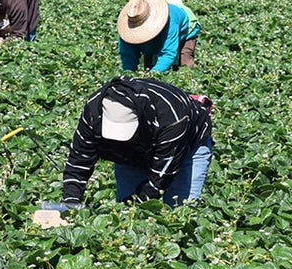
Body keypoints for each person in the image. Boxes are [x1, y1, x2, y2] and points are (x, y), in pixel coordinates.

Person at [45, 77, 213, 211]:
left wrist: (138, 206)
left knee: (180, 209)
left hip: (188, 144)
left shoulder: (171, 118)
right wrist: (71, 203)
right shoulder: (93, 113)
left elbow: (160, 179)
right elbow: (79, 160)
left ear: (140, 119)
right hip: (132, 153)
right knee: (127, 210)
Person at [117, 0, 199, 72]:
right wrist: (128, 75)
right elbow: (128, 57)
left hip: (185, 29)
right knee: (149, 62)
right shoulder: (126, 28)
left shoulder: (170, 20)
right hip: (160, 35)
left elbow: (169, 53)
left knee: (185, 59)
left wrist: (154, 75)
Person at [142, 0, 200, 67]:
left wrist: (156, 72)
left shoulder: (170, 16)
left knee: (185, 54)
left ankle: (186, 75)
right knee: (149, 50)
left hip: (188, 28)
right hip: (172, 23)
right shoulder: (140, 13)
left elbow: (169, 52)